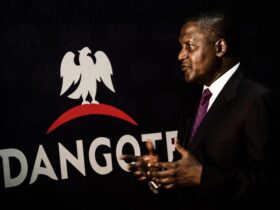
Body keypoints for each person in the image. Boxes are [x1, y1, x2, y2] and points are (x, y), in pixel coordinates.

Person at [120, 9, 279, 210]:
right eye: (180, 47)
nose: (180, 55)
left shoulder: (256, 99)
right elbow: (187, 176)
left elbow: (268, 186)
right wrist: (163, 175)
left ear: (220, 47)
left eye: (190, 46)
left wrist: (202, 177)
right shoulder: (192, 101)